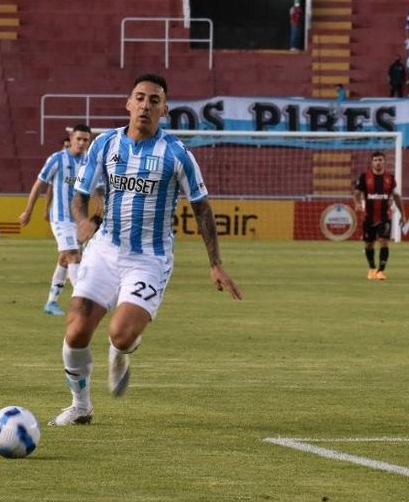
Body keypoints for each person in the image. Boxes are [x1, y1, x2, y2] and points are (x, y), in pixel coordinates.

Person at [48, 74, 242, 427]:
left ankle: (121, 352)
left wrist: (216, 264)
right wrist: (81, 220)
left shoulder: (177, 154)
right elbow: (79, 196)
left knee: (120, 334)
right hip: (105, 249)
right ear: (128, 104)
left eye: (155, 101)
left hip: (149, 258)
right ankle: (80, 405)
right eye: (140, 98)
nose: (145, 105)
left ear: (164, 110)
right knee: (76, 330)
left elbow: (202, 208)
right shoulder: (104, 145)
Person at [19, 124, 93, 316]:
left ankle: (51, 302)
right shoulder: (57, 159)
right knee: (73, 256)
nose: (82, 143)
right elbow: (40, 184)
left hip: (79, 219)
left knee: (65, 259)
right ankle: (81, 303)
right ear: (72, 139)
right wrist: (29, 210)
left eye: (86, 140)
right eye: (79, 139)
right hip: (60, 218)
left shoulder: (89, 162)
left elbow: (99, 188)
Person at [353, 152, 406, 282]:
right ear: (371, 162)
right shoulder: (364, 177)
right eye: (376, 160)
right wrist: (357, 203)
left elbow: (397, 197)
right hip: (368, 217)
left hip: (384, 216)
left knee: (384, 242)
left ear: (384, 162)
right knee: (369, 245)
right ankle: (372, 268)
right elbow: (356, 193)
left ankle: (381, 271)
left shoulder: (390, 178)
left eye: (380, 160)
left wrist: (403, 215)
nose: (378, 162)